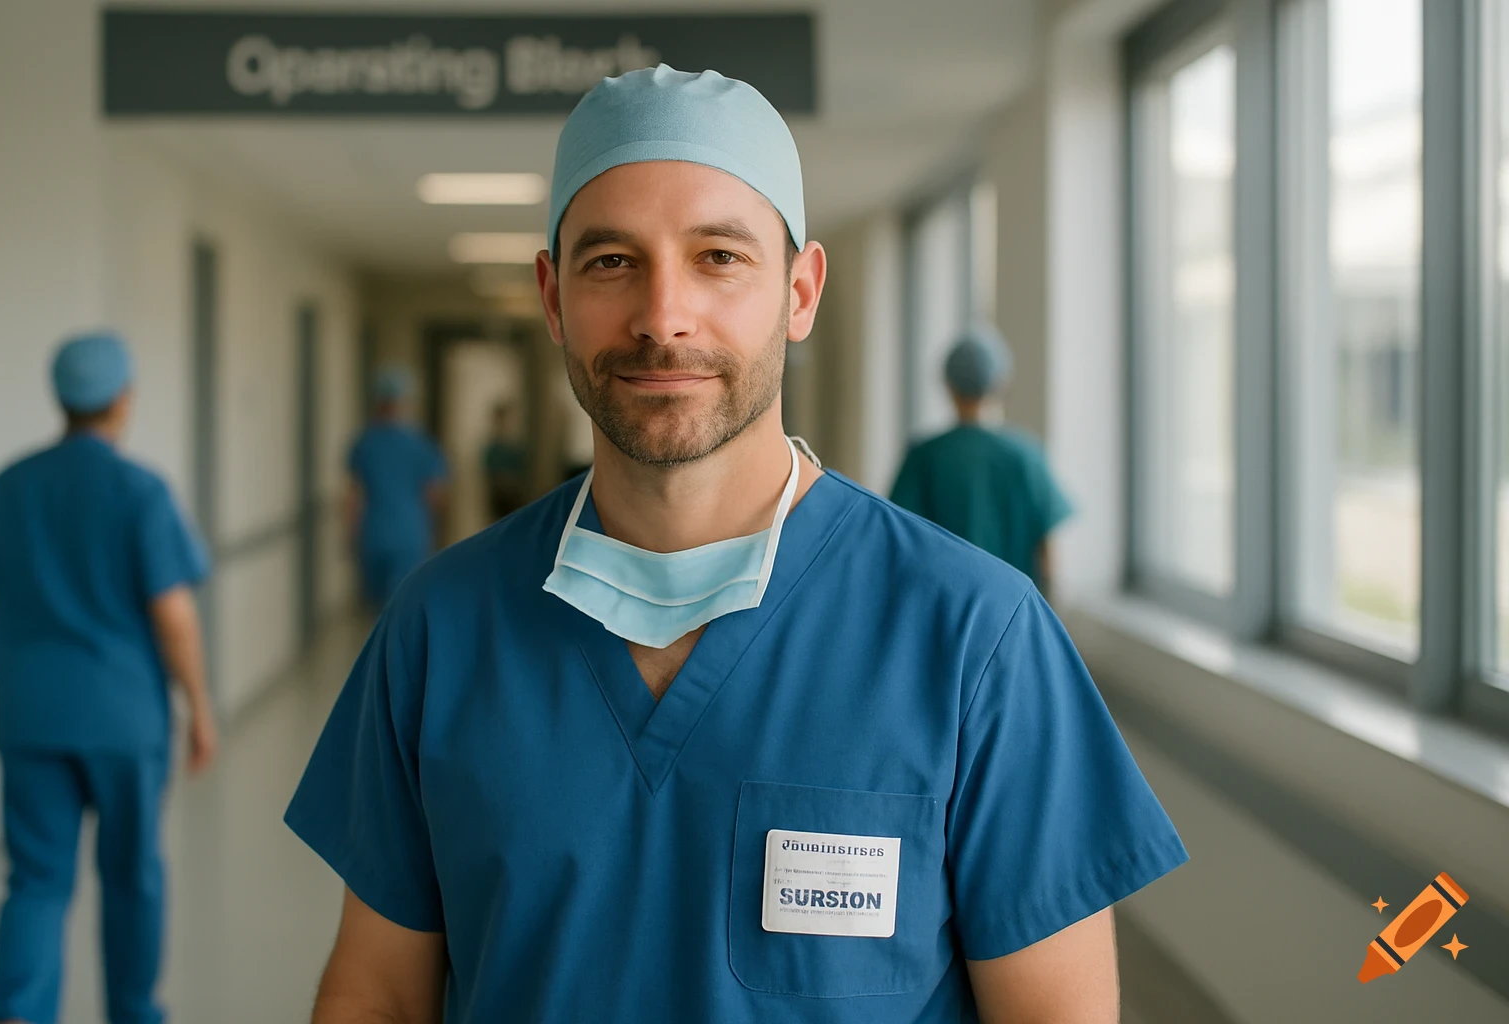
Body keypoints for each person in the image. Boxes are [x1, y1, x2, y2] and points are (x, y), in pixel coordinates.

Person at [287, 66, 1185, 1023]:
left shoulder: (978, 639)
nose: (663, 315)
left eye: (719, 257)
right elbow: (376, 989)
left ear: (800, 293)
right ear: (552, 298)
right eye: (610, 262)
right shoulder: (440, 627)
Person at [0, 331, 217, 1024]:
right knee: (131, 876)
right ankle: (134, 1011)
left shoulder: (8, 487)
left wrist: (17, 678)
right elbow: (173, 615)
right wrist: (198, 706)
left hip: (30, 718)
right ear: (121, 399)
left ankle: (19, 1013)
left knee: (36, 881)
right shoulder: (138, 491)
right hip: (123, 720)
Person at [891, 326, 1073, 590]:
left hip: (946, 606)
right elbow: (1049, 559)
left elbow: (902, 540)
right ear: (1002, 383)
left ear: (948, 386)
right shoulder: (1026, 456)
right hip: (1014, 613)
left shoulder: (924, 457)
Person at [345, 368, 449, 610]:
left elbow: (352, 497)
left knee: (376, 612)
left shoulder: (364, 443)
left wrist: (350, 537)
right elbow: (436, 496)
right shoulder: (422, 445)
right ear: (407, 402)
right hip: (410, 537)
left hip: (373, 535)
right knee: (404, 609)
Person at [480, 401, 529, 522]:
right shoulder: (493, 448)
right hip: (498, 496)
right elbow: (489, 473)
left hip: (514, 496)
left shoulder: (516, 448)